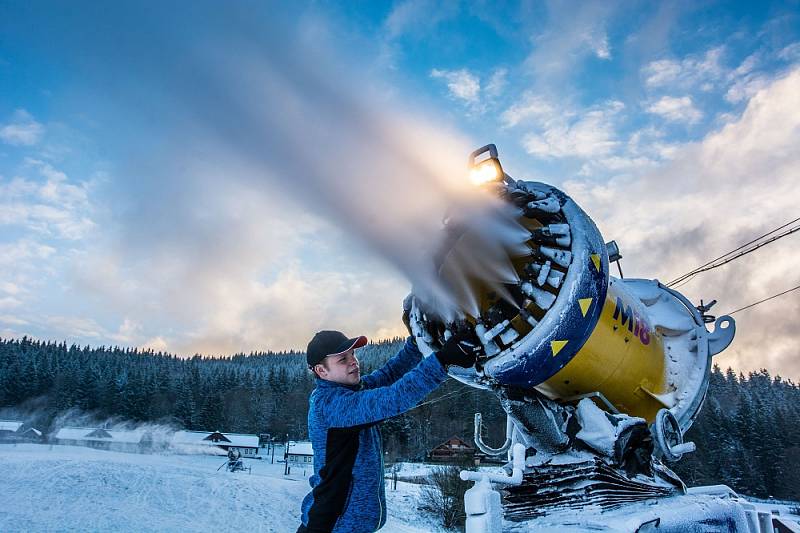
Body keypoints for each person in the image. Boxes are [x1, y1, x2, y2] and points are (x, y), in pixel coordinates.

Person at [296, 306, 479, 533]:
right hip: (333, 527)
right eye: (343, 359)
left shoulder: (348, 392)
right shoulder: (332, 405)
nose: (354, 361)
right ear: (321, 371)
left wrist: (416, 344)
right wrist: (442, 361)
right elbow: (393, 398)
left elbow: (389, 375)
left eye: (353, 354)